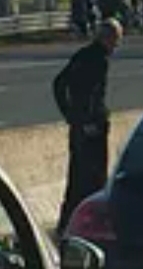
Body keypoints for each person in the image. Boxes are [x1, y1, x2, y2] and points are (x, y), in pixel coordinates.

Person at [53, 18, 122, 237]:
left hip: (78, 126)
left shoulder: (81, 55)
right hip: (92, 126)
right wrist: (89, 120)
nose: (117, 46)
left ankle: (66, 223)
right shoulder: (99, 60)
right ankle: (91, 226)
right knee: (95, 178)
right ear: (108, 38)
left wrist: (70, 115)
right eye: (116, 40)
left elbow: (59, 83)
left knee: (75, 176)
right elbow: (93, 94)